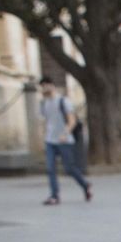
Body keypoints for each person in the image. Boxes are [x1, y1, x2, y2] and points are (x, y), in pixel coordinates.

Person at [38, 77, 92, 205]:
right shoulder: (44, 104)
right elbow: (46, 121)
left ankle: (85, 185)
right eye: (42, 86)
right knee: (50, 168)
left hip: (65, 140)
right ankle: (54, 196)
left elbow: (71, 120)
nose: (44, 88)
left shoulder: (63, 101)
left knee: (69, 168)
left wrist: (64, 134)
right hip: (50, 140)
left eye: (46, 85)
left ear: (52, 86)